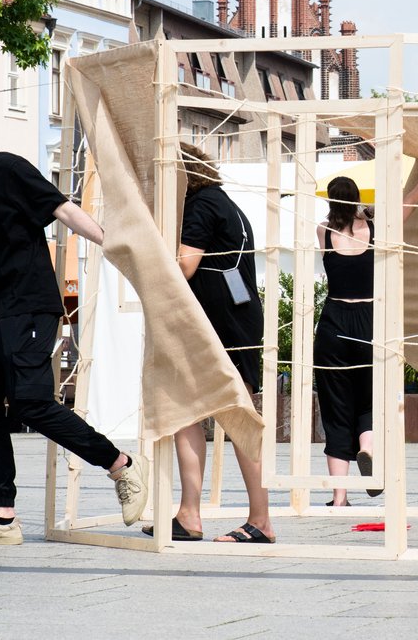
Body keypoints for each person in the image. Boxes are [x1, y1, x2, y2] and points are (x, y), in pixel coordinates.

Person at [0, 105, 148, 545]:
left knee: (31, 403)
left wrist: (115, 246)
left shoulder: (9, 168)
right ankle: (2, 518)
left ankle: (121, 466)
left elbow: (63, 209)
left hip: (31, 304)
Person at [144, 143, 270, 543]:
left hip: (221, 324)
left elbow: (185, 264)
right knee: (194, 411)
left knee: (231, 417)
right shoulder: (225, 202)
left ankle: (258, 520)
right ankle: (190, 513)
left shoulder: (199, 205)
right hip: (236, 320)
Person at [314, 166, 418, 506]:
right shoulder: (376, 227)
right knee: (369, 398)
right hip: (370, 321)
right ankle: (367, 448)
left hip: (334, 322)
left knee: (336, 407)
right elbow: (408, 203)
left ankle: (339, 497)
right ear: (356, 199)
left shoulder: (323, 231)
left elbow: (337, 219)